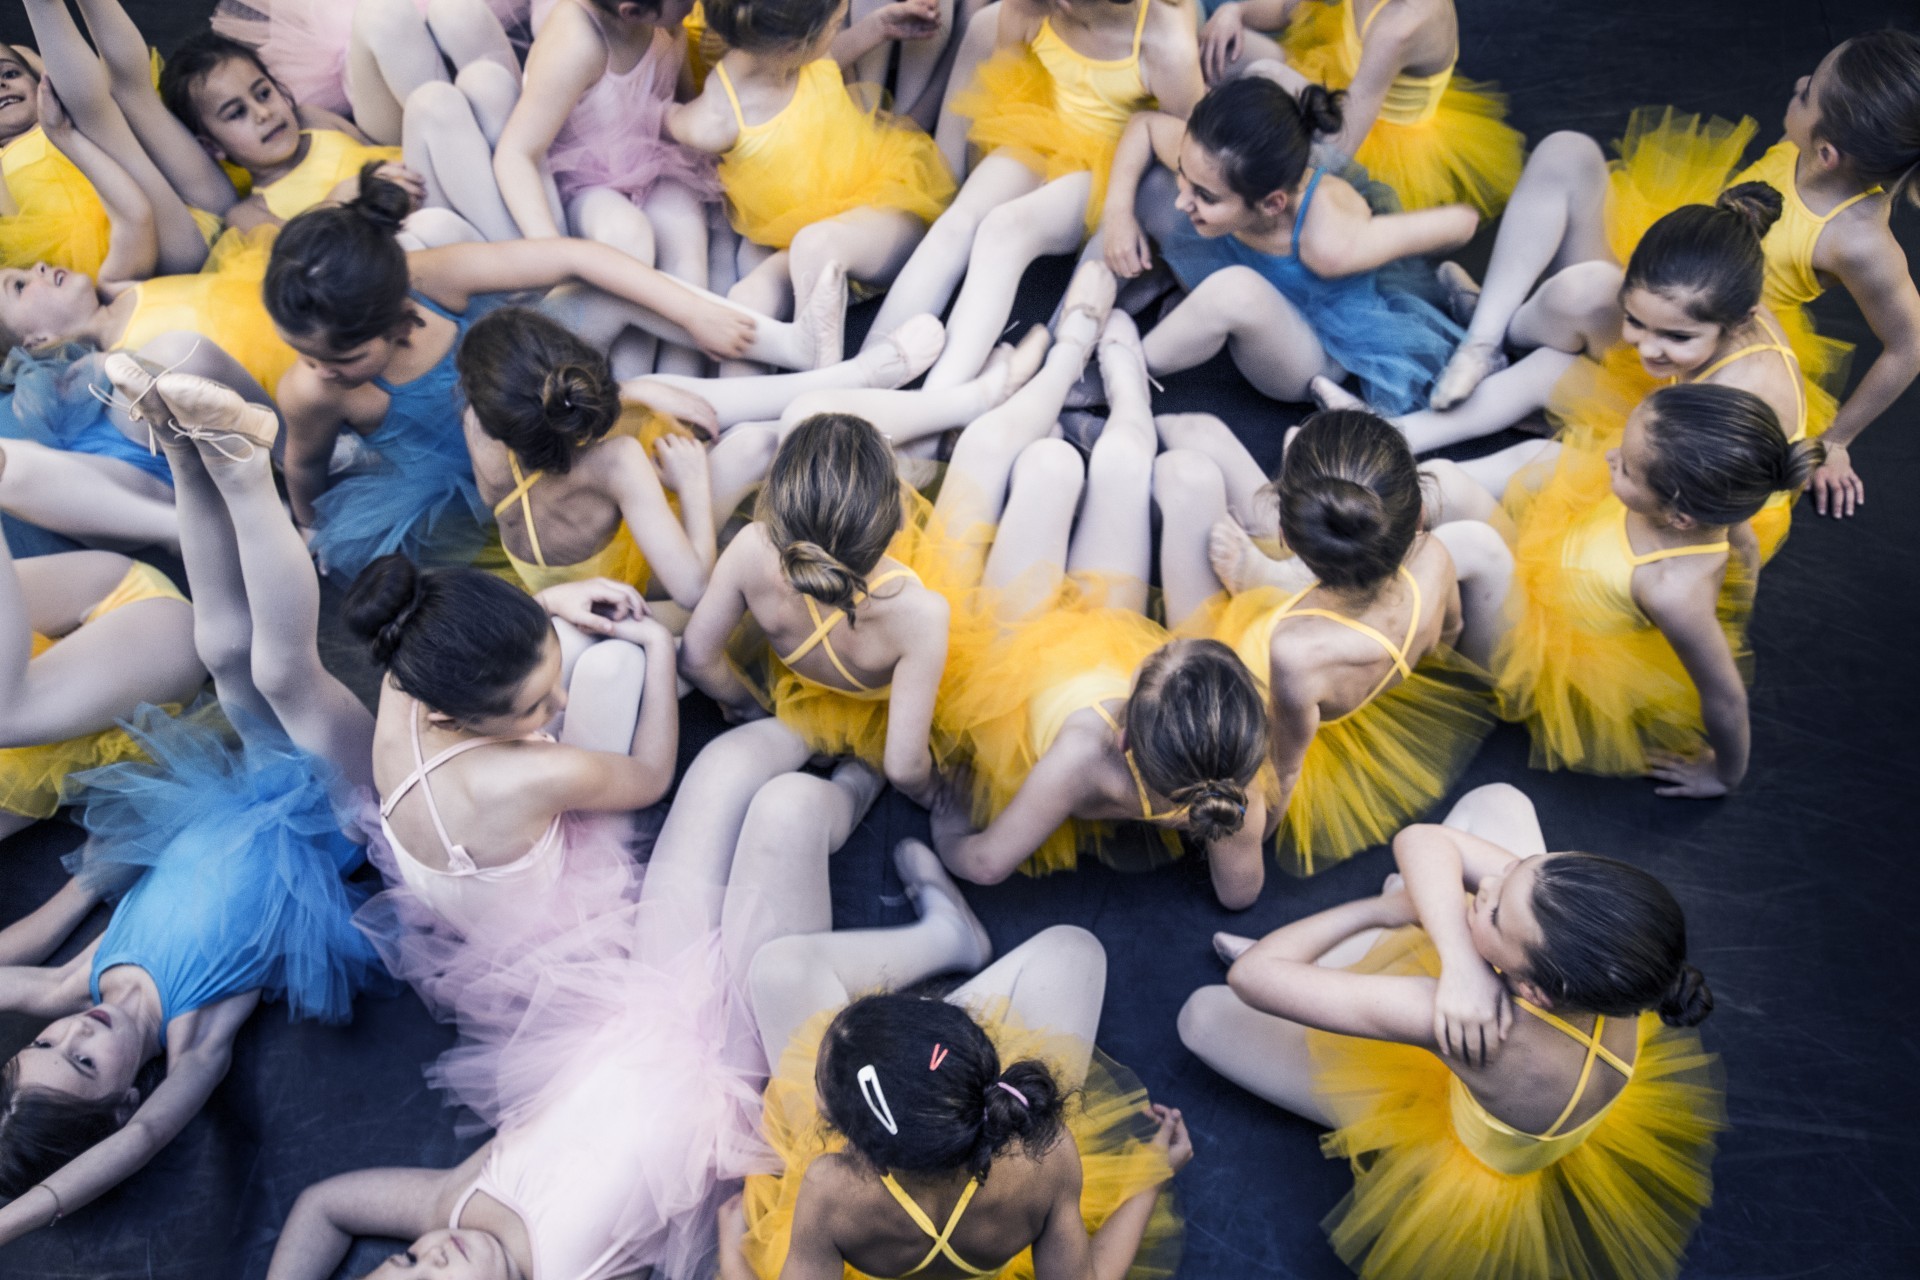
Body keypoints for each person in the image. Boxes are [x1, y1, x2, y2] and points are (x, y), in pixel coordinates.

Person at [0, 363, 393, 1245]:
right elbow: (137, 1145)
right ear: (123, 1096)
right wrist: (9, 1224)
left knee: (222, 648)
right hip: (339, 812)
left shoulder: (79, 977)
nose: (76, 1034)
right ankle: (247, 472)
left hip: (246, 784)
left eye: (49, 1043)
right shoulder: (193, 1039)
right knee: (281, 671)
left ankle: (185, 446)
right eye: (86, 1064)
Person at [1178, 782, 1723, 1280]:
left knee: (1201, 1017)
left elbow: (1253, 978)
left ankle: (1327, 961)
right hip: (1544, 1067)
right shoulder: (1619, 973)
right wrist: (1462, 961)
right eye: (1520, 868)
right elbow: (1421, 840)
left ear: (1533, 991)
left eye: (1496, 911)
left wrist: (1383, 910)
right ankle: (1364, 954)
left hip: (1444, 1106)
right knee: (1501, 801)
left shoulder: (1472, 1028)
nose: (1486, 885)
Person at [263, 169, 843, 579]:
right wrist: (314, 527)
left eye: (339, 357)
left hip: (537, 381)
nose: (320, 370)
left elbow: (573, 256)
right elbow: (304, 463)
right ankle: (818, 388)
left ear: (397, 312)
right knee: (635, 407)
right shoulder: (316, 390)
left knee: (598, 291)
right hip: (511, 468)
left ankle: (790, 346)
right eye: (305, 354)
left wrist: (694, 312)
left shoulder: (430, 278)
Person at [927, 297, 1275, 908]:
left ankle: (1059, 385)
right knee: (1117, 463)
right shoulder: (1235, 794)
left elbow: (984, 864)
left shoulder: (1082, 752)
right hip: (1101, 643)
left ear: (1122, 737)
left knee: (1052, 466)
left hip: (1019, 657)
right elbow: (1240, 896)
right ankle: (1124, 386)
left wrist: (948, 825)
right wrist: (1241, 835)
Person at [1156, 409, 1496, 876]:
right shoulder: (1435, 557)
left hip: (1231, 676)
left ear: (1285, 538)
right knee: (1200, 434)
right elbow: (1451, 631)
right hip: (1337, 619)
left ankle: (1116, 415)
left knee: (1183, 474)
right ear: (1418, 515)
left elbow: (1284, 769)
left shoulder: (1295, 654)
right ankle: (1260, 573)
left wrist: (1251, 837)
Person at [1434, 383, 1819, 794]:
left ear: (1680, 518)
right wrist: (1744, 598)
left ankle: (1400, 593)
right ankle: (1399, 499)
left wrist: (1725, 774)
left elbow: (1726, 698)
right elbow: (1746, 548)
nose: (1609, 456)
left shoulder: (1672, 591)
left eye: (1627, 470)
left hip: (1526, 650)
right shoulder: (1717, 504)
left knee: (1473, 543)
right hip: (1539, 568)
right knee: (1447, 477)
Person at [864, 0, 1203, 388]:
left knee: (1004, 228)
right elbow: (1005, 86)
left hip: (1110, 165)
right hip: (1040, 128)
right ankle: (867, 369)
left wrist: (1122, 212)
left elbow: (1182, 154)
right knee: (958, 222)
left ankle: (941, 395)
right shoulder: (1031, 7)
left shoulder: (1165, 47)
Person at [1103, 74, 1476, 414]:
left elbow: (1462, 222)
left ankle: (1118, 373)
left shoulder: (1331, 242)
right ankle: (1130, 296)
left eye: (1206, 197)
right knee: (1151, 184)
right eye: (1186, 175)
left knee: (1234, 290)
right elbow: (1144, 126)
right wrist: (1118, 214)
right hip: (1232, 265)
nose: (1183, 201)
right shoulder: (1216, 162)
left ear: (1272, 204)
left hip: (1308, 346)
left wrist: (1380, 241)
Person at [678, 410, 961, 803]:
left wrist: (751, 707)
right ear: (898, 518)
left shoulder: (749, 548)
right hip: (889, 708)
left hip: (794, 687)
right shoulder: (920, 614)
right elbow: (904, 767)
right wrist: (933, 794)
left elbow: (695, 658)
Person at [669, 0, 955, 366]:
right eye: (835, 25)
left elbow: (826, 59)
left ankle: (822, 373)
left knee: (815, 243)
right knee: (746, 301)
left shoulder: (795, 55)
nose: (837, 32)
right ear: (794, 47)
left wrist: (879, 27)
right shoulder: (716, 118)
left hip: (882, 216)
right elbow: (670, 121)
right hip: (801, 261)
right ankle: (747, 404)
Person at [495, 0, 722, 375]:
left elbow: (677, 98)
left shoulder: (668, 20)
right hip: (587, 181)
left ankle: (679, 378)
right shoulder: (578, 41)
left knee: (687, 254)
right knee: (629, 240)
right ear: (633, 13)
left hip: (655, 160)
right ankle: (627, 380)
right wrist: (551, 250)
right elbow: (515, 152)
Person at [0, 465, 204, 842]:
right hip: (157, 633)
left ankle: (182, 520)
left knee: (14, 470)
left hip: (114, 595)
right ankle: (191, 520)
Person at [1201, 0, 1524, 216]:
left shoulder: (1400, 28)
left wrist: (1266, 124)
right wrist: (1236, 10)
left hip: (1366, 128)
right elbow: (1289, 7)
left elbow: (1341, 148)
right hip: (1334, 78)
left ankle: (1206, 152)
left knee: (1263, 74)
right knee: (1226, 49)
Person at [1, 41, 115, 278]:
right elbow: (14, 229)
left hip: (136, 214)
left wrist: (28, 58)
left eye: (10, 74)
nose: (2, 84)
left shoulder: (70, 116)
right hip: (75, 266)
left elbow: (73, 84)